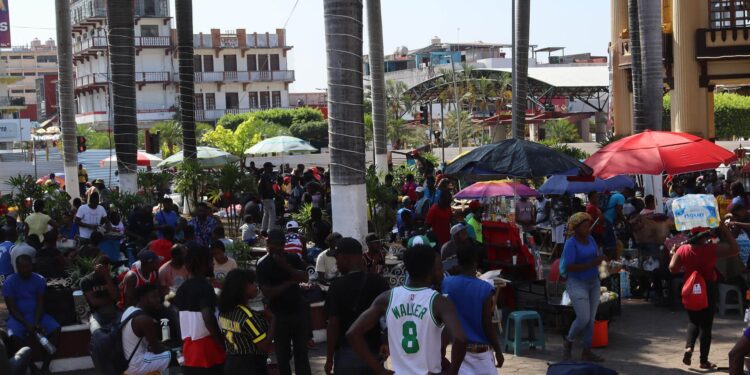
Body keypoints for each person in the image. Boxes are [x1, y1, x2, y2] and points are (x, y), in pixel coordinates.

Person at [347, 244, 467, 375]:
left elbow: (353, 333)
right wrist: (452, 372)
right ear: (430, 269)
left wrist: (380, 371)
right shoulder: (439, 302)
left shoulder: (387, 298)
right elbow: (460, 339)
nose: (442, 270)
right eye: (440, 266)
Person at [669, 223, 739, 369]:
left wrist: (674, 253)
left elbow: (673, 269)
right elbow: (734, 249)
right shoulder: (711, 249)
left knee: (693, 321)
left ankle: (689, 348)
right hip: (708, 288)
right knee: (706, 325)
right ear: (704, 236)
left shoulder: (683, 249)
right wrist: (724, 229)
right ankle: (703, 361)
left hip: (690, 287)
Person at [324, 237, 390, 374]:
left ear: (344, 257)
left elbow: (333, 324)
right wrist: (386, 342)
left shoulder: (336, 286)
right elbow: (389, 318)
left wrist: (329, 357)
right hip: (374, 353)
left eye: (337, 258)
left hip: (347, 355)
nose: (336, 263)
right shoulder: (379, 282)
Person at [256, 229, 311, 375]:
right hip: (278, 315)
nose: (278, 248)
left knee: (302, 354)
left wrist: (285, 266)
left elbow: (305, 277)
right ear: (268, 244)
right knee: (282, 356)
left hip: (297, 311)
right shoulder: (263, 264)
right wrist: (290, 282)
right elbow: (268, 292)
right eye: (275, 244)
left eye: (281, 244)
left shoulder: (292, 258)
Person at [442, 245, 504, 374]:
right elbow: (487, 324)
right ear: (475, 262)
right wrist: (498, 351)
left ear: (458, 262)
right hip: (481, 354)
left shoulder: (447, 283)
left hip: (458, 353)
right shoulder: (484, 288)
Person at [3, 255, 60, 374]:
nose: (25, 269)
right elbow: (12, 309)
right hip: (18, 318)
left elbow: (40, 303)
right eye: (22, 267)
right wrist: (26, 324)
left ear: (32, 266)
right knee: (13, 336)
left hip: (37, 315)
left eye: (28, 266)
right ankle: (32, 367)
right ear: (17, 267)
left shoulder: (39, 279)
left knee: (56, 329)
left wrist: (37, 321)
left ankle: (45, 367)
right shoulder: (9, 281)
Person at [560, 212, 606, 362]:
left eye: (589, 226)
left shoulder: (591, 239)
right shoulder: (571, 244)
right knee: (583, 318)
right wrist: (592, 263)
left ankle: (587, 350)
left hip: (593, 281)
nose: (589, 229)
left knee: (591, 319)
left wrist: (603, 262)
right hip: (576, 283)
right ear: (577, 229)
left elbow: (596, 256)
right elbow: (570, 267)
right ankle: (569, 341)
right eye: (585, 226)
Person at [175, 243, 227, 374]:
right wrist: (223, 345)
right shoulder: (205, 287)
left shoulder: (181, 289)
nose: (212, 264)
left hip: (189, 352)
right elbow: (207, 316)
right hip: (209, 352)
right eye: (210, 260)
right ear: (202, 263)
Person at [218, 269, 273, 374]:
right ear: (242, 288)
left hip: (231, 363)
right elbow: (265, 346)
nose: (255, 286)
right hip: (249, 366)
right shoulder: (247, 316)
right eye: (252, 283)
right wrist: (274, 320)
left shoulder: (225, 312)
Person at [120, 284, 172, 375]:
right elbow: (157, 349)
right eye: (154, 297)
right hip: (137, 364)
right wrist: (168, 348)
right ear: (142, 298)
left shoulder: (129, 310)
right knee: (172, 355)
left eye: (158, 296)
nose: (158, 299)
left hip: (125, 362)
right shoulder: (144, 320)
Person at [81, 255, 120, 332]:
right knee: (97, 330)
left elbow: (117, 298)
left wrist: (107, 276)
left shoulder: (112, 278)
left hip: (114, 311)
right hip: (97, 313)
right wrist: (111, 300)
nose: (102, 268)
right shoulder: (86, 281)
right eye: (100, 264)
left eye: (106, 265)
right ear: (95, 264)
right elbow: (94, 302)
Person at [259, 162, 278, 234]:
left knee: (266, 213)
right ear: (266, 167)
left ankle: (263, 229)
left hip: (265, 197)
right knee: (272, 214)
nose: (272, 168)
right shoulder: (266, 175)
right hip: (268, 197)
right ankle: (270, 230)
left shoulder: (263, 175)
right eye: (271, 167)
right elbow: (268, 187)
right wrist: (273, 191)